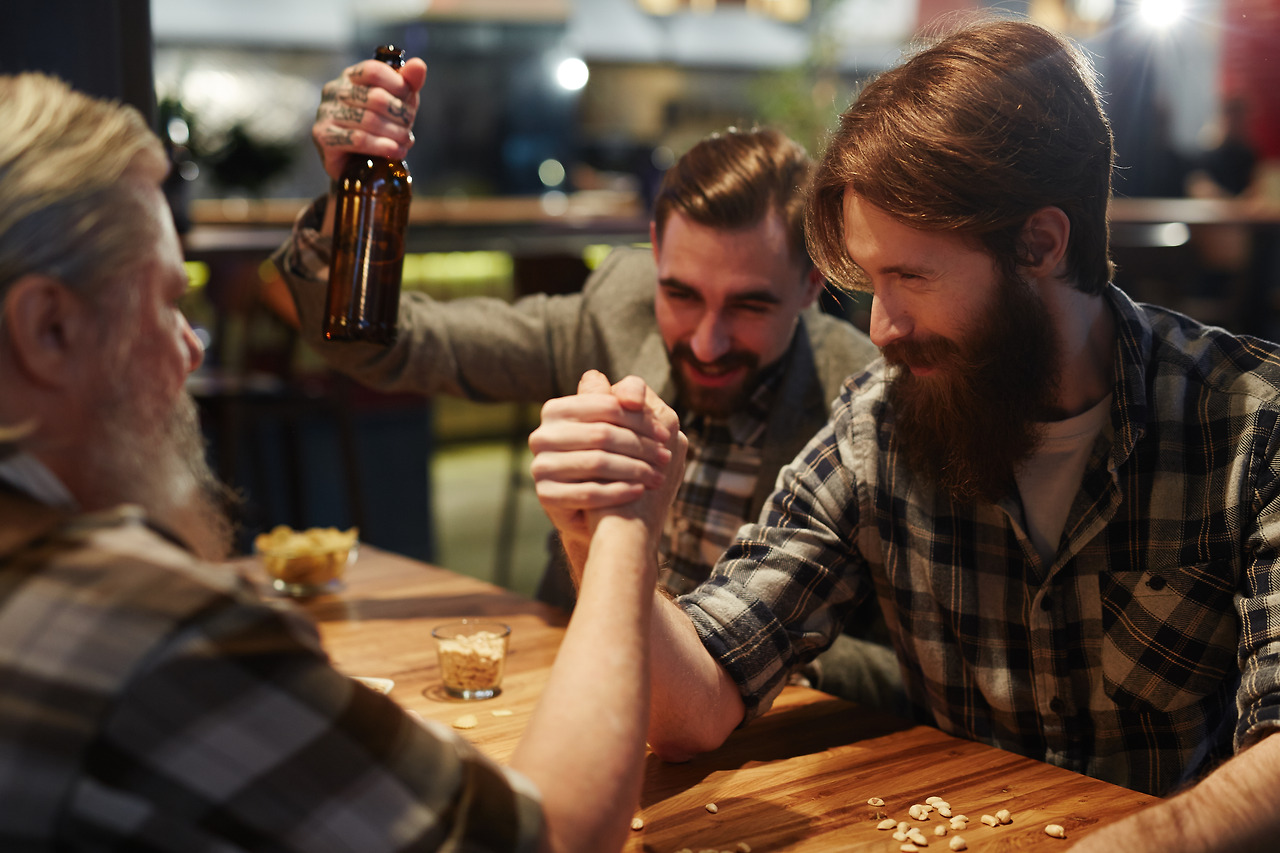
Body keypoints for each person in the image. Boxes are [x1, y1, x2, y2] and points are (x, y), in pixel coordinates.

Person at [529, 18, 1280, 851]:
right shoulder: (878, 425)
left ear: (1040, 243)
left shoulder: (1252, 422)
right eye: (867, 282)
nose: (880, 327)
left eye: (909, 277)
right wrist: (600, 529)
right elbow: (693, 707)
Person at [0, 70, 686, 853]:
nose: (193, 348)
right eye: (165, 302)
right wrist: (628, 528)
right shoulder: (157, 635)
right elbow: (548, 838)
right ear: (47, 329)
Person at [271, 59, 879, 610]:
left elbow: (901, 668)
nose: (706, 343)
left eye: (749, 305)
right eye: (681, 294)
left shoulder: (858, 407)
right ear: (655, 251)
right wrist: (347, 194)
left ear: (810, 285)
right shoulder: (618, 309)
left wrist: (724, 653)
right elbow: (394, 348)